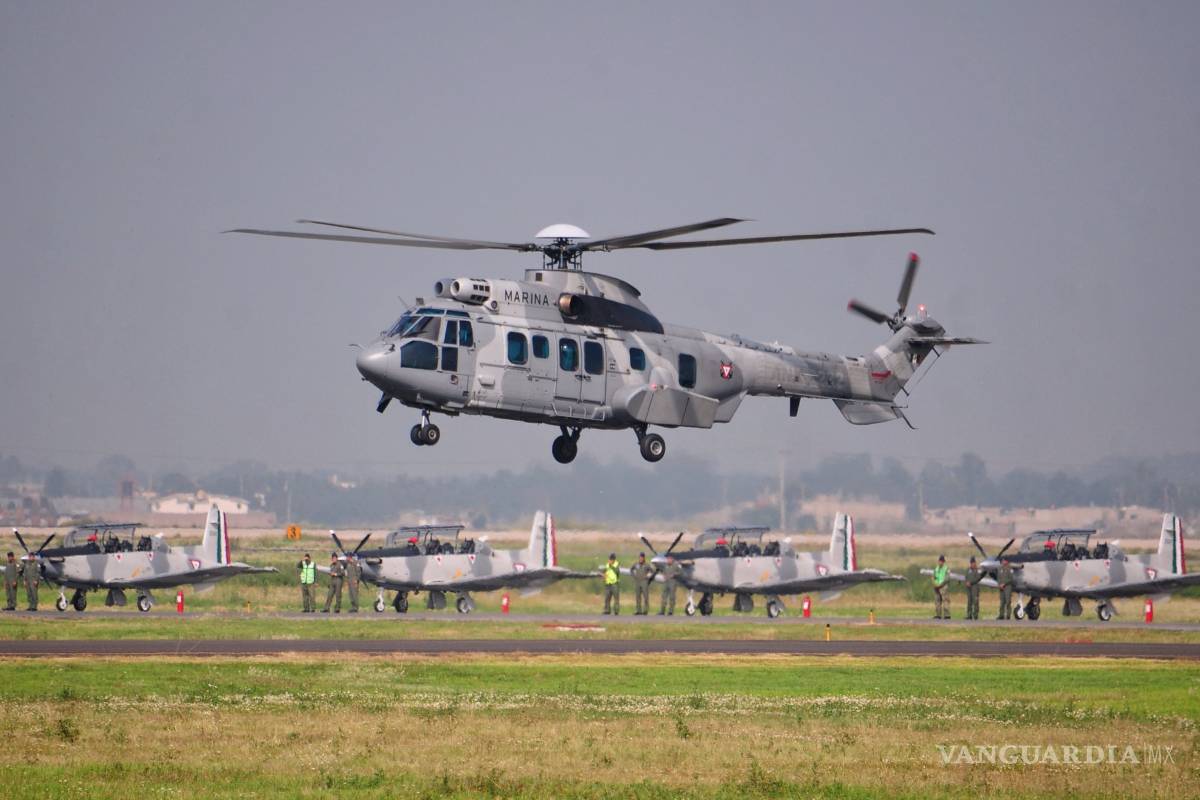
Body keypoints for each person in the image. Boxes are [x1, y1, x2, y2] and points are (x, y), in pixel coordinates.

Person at [931, 554, 949, 619]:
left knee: (945, 600)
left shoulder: (946, 568)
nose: (940, 562)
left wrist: (940, 585)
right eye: (939, 561)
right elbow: (933, 576)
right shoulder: (936, 568)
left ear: (943, 562)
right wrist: (934, 584)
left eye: (942, 561)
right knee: (937, 601)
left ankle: (947, 615)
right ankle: (938, 614)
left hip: (943, 586)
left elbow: (947, 578)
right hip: (936, 587)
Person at [964, 556, 982, 620]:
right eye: (971, 563)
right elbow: (966, 577)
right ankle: (969, 615)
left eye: (974, 563)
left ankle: (975, 615)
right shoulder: (968, 570)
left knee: (975, 601)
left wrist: (970, 582)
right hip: (969, 588)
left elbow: (978, 578)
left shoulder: (977, 570)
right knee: (969, 602)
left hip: (975, 588)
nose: (973, 564)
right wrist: (966, 582)